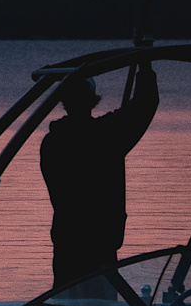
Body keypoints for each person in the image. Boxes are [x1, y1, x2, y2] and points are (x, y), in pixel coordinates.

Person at [38, 61, 159, 289]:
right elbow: (145, 104)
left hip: (68, 242)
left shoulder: (52, 143)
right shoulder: (106, 136)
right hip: (99, 244)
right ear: (91, 100)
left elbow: (141, 107)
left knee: (66, 304)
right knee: (98, 305)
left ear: (64, 102)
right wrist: (145, 69)